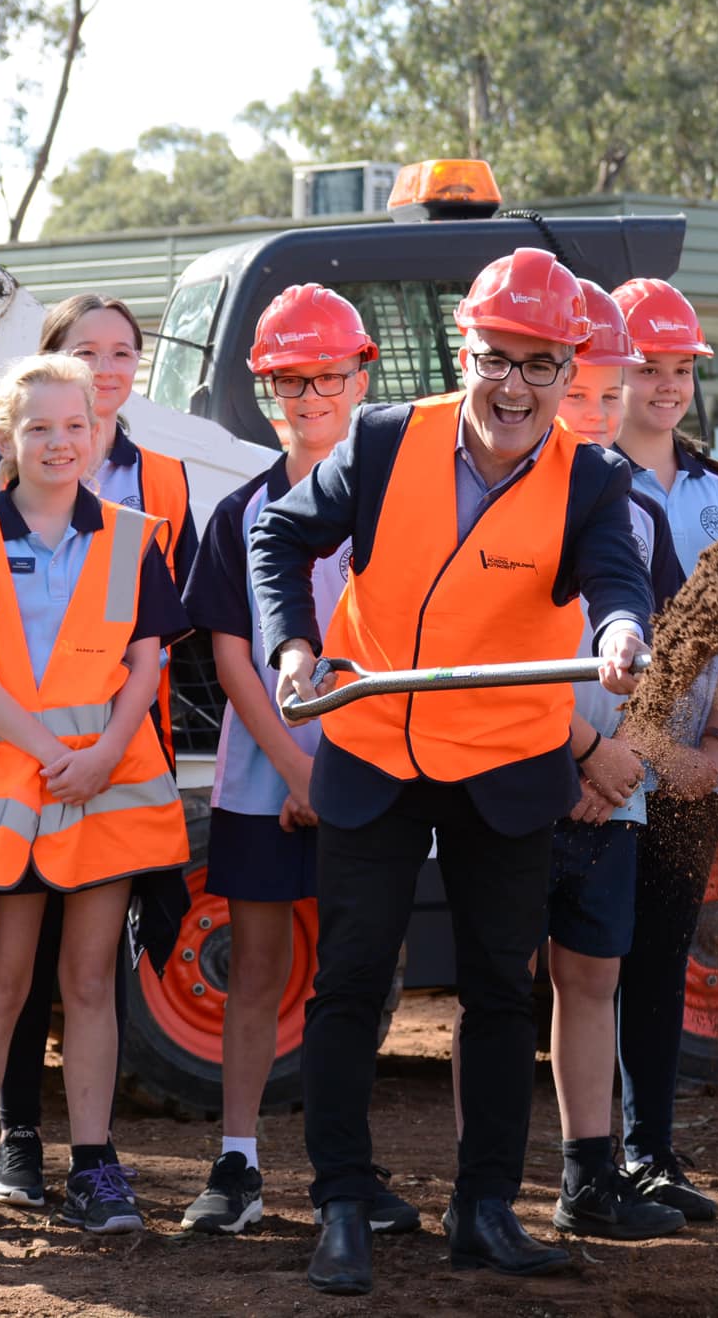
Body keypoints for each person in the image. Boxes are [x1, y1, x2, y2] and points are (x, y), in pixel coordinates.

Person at [250, 248, 651, 1295]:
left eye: (537, 364)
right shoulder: (385, 439)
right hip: (375, 745)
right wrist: (294, 647)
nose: (511, 386)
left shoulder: (591, 478)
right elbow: (277, 535)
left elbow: (618, 583)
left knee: (497, 993)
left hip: (506, 763)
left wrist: (617, 632)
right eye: (494, 359)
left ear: (568, 372)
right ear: (461, 352)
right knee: (348, 982)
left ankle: (484, 1209)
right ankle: (341, 1204)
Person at [0, 354, 190, 1239]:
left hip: (107, 789)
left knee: (90, 982)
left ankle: (95, 1169)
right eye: (38, 428)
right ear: (5, 439)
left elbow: (150, 660)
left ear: (98, 432)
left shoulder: (137, 536)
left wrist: (101, 754)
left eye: (75, 426)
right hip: (12, 794)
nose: (59, 443)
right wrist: (53, 752)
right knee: (1, 985)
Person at [176, 284, 414, 1237]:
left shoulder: (401, 508)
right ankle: (236, 1165)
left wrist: (343, 772)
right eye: (288, 379)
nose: (310, 396)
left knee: (354, 974)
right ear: (263, 389)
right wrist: (300, 770)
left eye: (327, 375)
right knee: (259, 968)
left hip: (378, 772)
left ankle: (342, 1172)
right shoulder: (243, 510)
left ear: (361, 375)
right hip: (261, 778)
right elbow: (231, 654)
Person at [542, 281, 689, 1240]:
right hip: (525, 777)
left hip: (611, 788)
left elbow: (675, 644)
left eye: (609, 393)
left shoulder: (640, 509)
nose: (593, 413)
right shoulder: (503, 502)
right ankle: (483, 1185)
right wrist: (580, 758)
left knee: (594, 979)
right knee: (503, 987)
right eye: (579, 393)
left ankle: (588, 1178)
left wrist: (625, 758)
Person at [606, 276, 718, 1224]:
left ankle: (649, 1153)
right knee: (585, 964)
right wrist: (654, 748)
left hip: (698, 764)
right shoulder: (581, 478)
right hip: (609, 765)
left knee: (659, 958)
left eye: (679, 369)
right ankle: (591, 1162)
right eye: (646, 366)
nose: (665, 385)